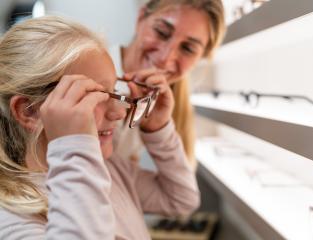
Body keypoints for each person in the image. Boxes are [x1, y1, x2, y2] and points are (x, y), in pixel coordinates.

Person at [0, 16, 199, 240]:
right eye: (94, 95)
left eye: (115, 91)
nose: (120, 112)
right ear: (29, 111)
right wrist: (72, 146)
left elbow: (181, 199)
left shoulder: (110, 168)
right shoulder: (12, 220)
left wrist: (159, 128)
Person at [110, 0, 226, 170]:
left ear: (201, 57)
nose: (165, 58)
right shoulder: (85, 72)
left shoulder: (160, 104)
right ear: (141, 18)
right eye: (161, 32)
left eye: (187, 48)